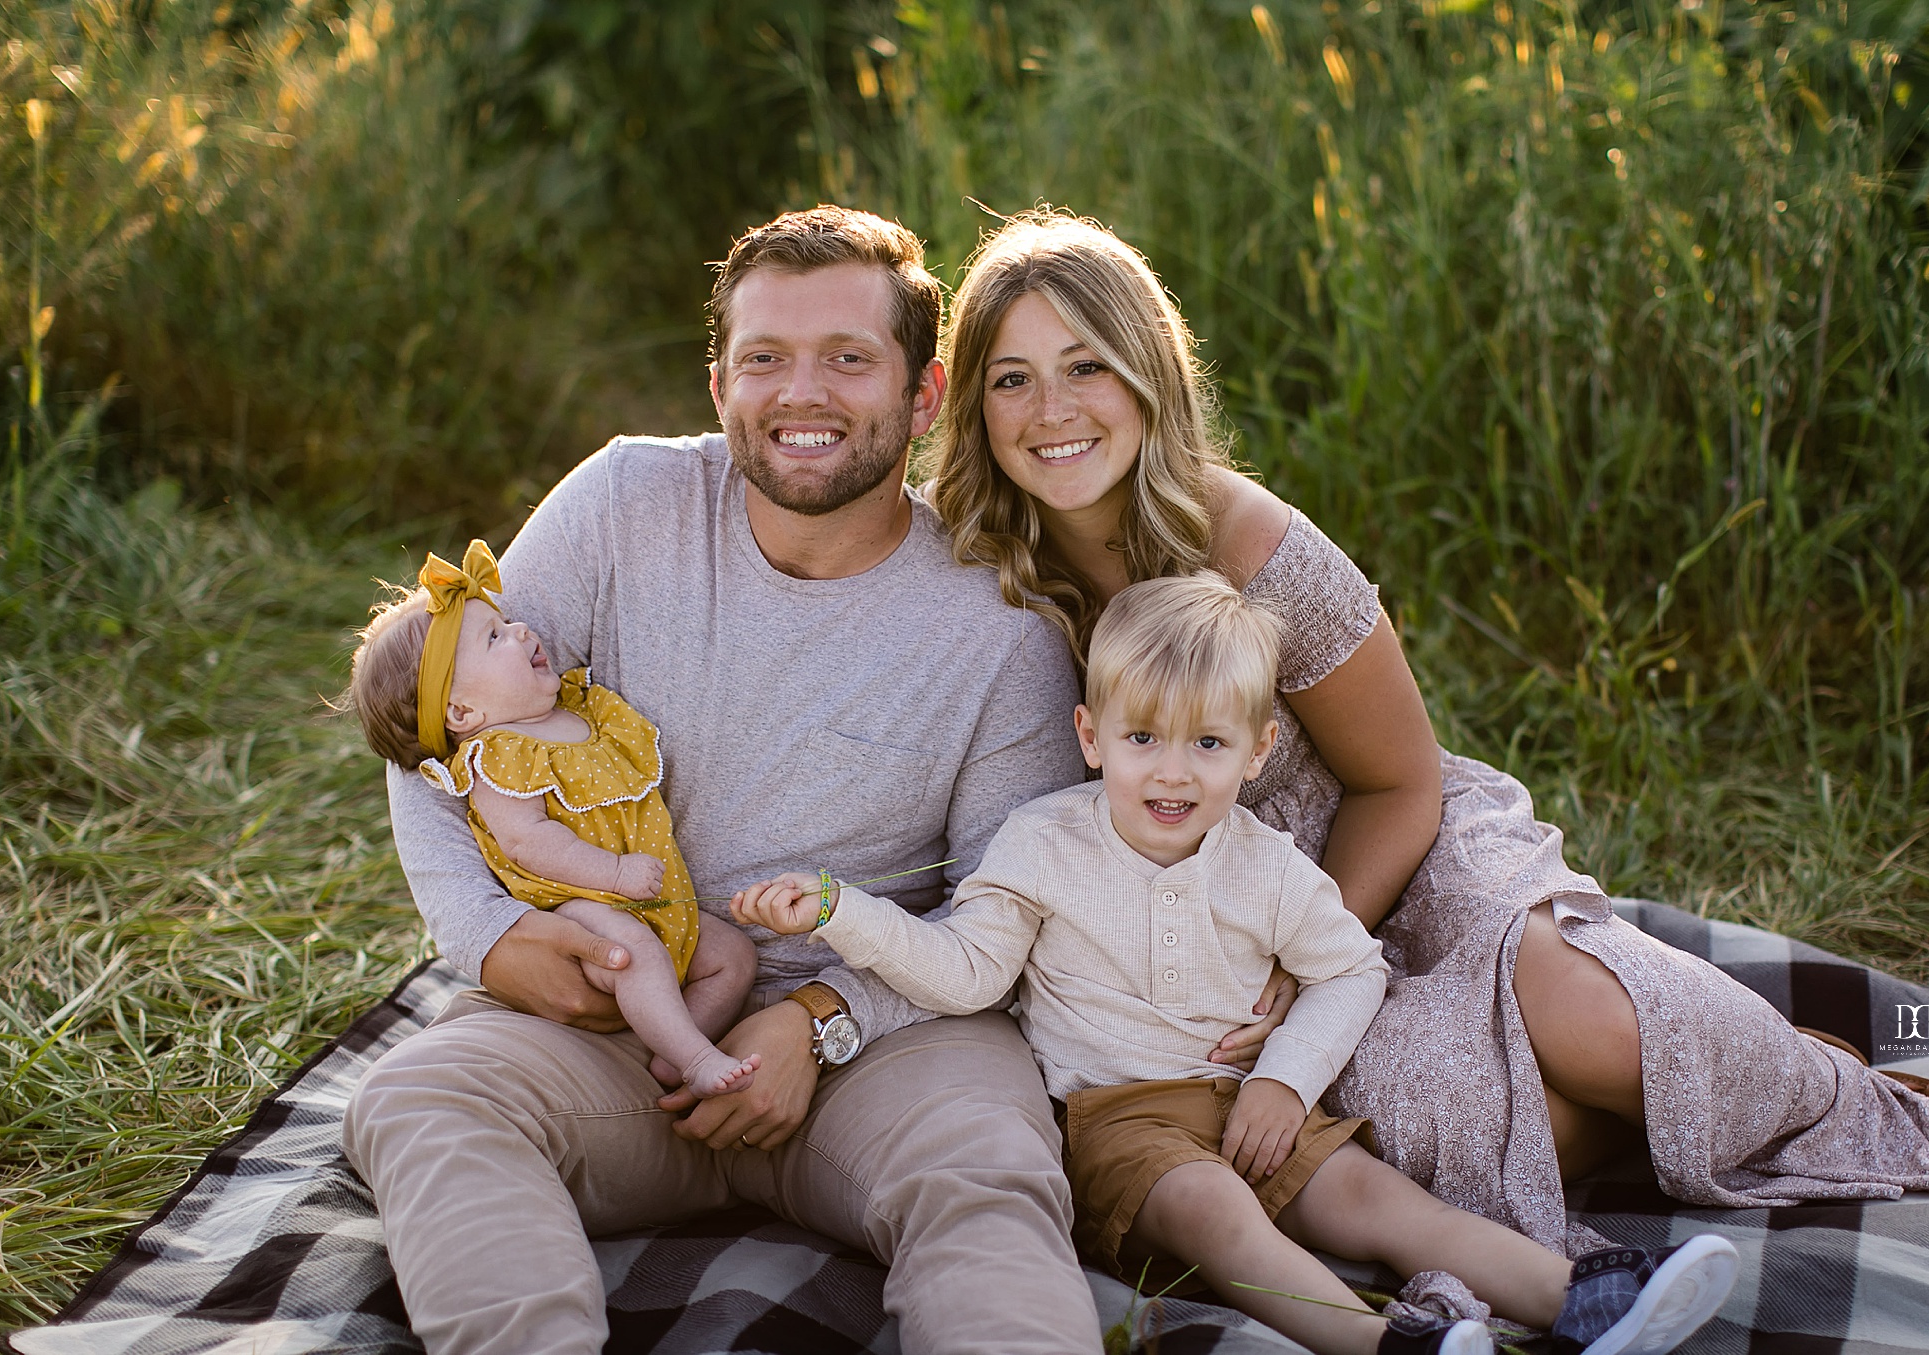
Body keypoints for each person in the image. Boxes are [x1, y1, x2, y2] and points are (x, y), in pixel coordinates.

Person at [918, 208, 1929, 1255]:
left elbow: (1397, 780)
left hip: (1391, 847)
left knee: (1583, 1016)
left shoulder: (1247, 541)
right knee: (1461, 1124)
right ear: (973, 403)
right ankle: (1746, 1075)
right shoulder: (973, 576)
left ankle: (1871, 1103)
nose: (1051, 407)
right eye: (1012, 377)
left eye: (1086, 365)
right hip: (1218, 921)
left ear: (1147, 373)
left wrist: (1307, 962)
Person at [342, 206, 1270, 1355]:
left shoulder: (998, 628)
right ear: (720, 381)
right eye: (766, 358)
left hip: (885, 1034)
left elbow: (1003, 908)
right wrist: (488, 940)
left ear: (924, 397)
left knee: (989, 1170)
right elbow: (440, 734)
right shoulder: (622, 504)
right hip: (629, 1006)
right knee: (416, 1097)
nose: (802, 394)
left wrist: (820, 1020)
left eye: (848, 358)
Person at [735, 572, 1740, 1355]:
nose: (1171, 769)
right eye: (1141, 737)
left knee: (1373, 1199)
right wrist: (843, 911)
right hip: (1113, 1121)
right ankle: (1377, 1338)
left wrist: (1283, 1080)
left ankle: (1592, 1295)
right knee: (1213, 1207)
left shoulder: (1266, 866)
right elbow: (964, 973)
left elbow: (1350, 971)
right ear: (1091, 736)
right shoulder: (1042, 844)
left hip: (1247, 1098)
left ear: (1257, 751)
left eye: (1207, 742)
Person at [345, 539, 760, 1097]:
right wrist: (613, 876)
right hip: (585, 904)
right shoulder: (497, 757)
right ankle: (695, 1059)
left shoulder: (582, 711)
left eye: (508, 622)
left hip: (660, 899)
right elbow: (527, 842)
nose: (520, 631)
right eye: (494, 638)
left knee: (732, 956)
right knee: (632, 956)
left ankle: (672, 1049)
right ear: (462, 712)